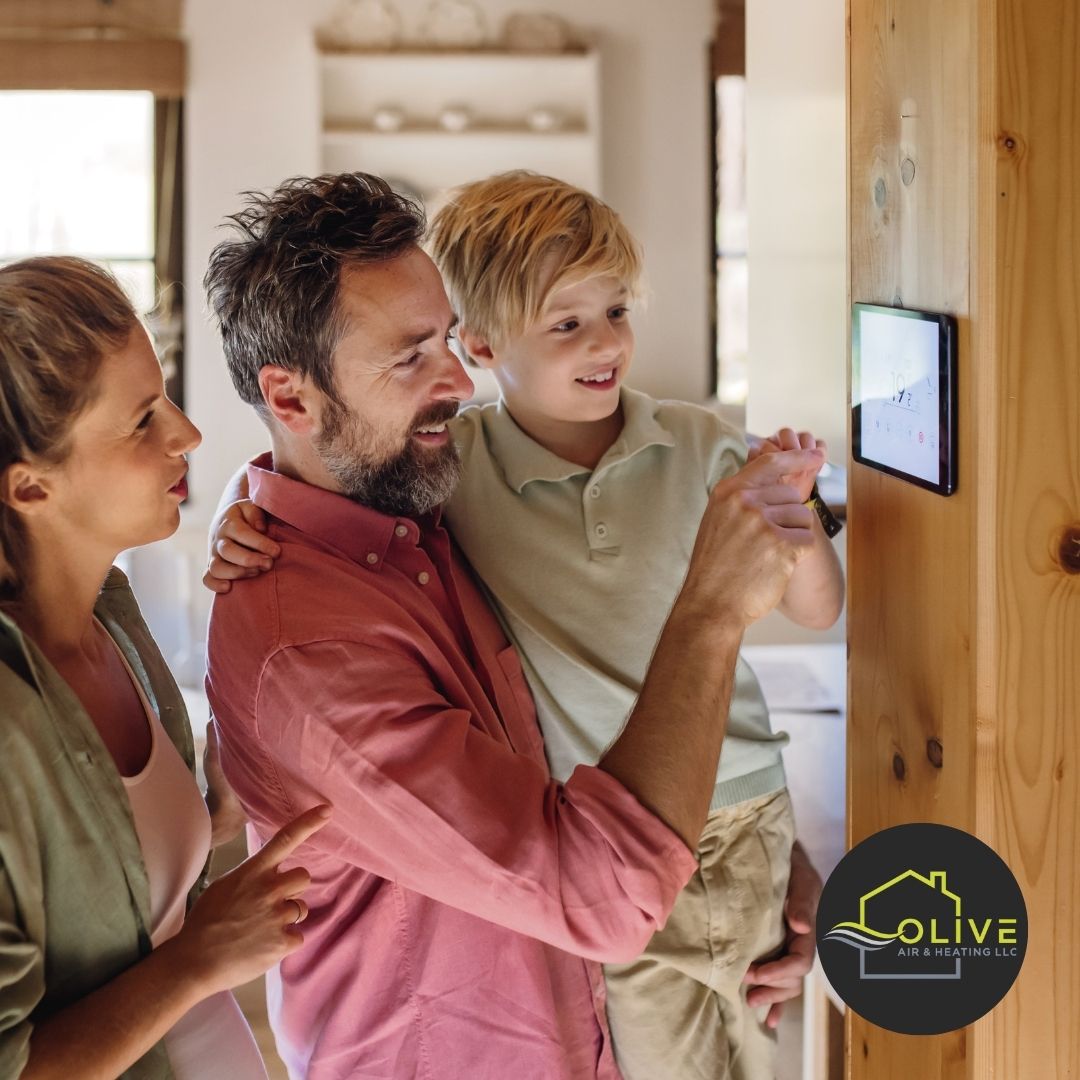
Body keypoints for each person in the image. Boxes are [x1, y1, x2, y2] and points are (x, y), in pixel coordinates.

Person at [210, 171, 843, 1079]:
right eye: (411, 355)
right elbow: (602, 893)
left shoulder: (412, 498)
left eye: (444, 346)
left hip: (683, 877)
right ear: (294, 400)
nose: (454, 380)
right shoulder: (322, 632)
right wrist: (709, 612)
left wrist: (758, 836)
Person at [0, 256, 328, 1080]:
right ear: (30, 489)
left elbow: (124, 893)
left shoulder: (113, 617)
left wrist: (213, 813)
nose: (187, 434)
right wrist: (202, 957)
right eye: (143, 420)